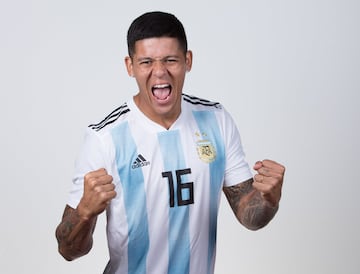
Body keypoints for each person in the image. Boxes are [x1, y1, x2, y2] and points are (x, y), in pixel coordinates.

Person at [55, 11, 285, 274]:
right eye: (146, 62)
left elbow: (250, 217)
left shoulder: (216, 121)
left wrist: (268, 200)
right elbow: (67, 250)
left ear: (188, 60)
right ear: (130, 66)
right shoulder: (105, 139)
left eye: (170, 60)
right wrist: (84, 213)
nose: (159, 72)